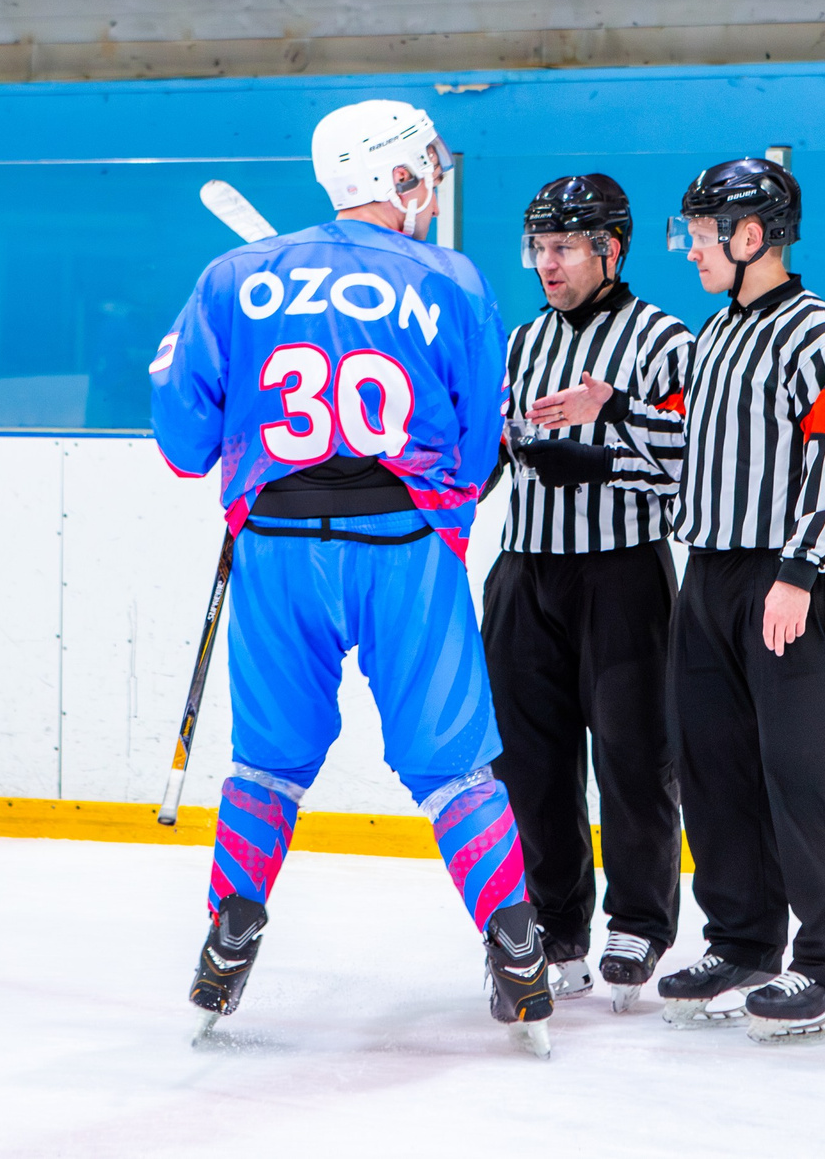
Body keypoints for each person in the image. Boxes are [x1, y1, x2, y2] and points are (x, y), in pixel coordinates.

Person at [148, 99, 553, 1055]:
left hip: (278, 554)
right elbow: (474, 444)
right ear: (399, 178)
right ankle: (518, 948)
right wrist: (435, 511)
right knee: (454, 766)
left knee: (269, 761)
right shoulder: (452, 280)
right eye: (428, 174)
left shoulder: (231, 277)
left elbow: (181, 439)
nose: (434, 193)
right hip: (405, 545)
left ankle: (228, 939)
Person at [552, 156, 825, 1043]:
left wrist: (799, 573)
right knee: (717, 770)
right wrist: (610, 409)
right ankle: (741, 941)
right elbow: (687, 438)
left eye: (701, 235)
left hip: (787, 579)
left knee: (810, 775)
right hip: (710, 575)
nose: (691, 250)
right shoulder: (714, 336)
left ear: (751, 235)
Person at [483, 174, 692, 1012]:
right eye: (539, 246)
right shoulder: (524, 340)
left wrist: (604, 449)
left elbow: (690, 461)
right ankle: (559, 921)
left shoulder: (664, 339)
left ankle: (638, 919)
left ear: (613, 246)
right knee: (528, 763)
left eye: (565, 245)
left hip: (623, 572)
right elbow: (495, 447)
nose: (548, 262)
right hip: (525, 571)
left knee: (634, 754)